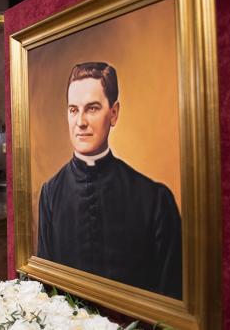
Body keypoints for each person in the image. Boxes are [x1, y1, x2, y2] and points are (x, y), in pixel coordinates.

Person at [37, 62, 182, 299]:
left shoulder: (155, 200)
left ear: (113, 113)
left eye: (92, 108)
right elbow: (46, 286)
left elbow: (171, 298)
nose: (80, 122)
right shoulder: (51, 193)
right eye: (73, 109)